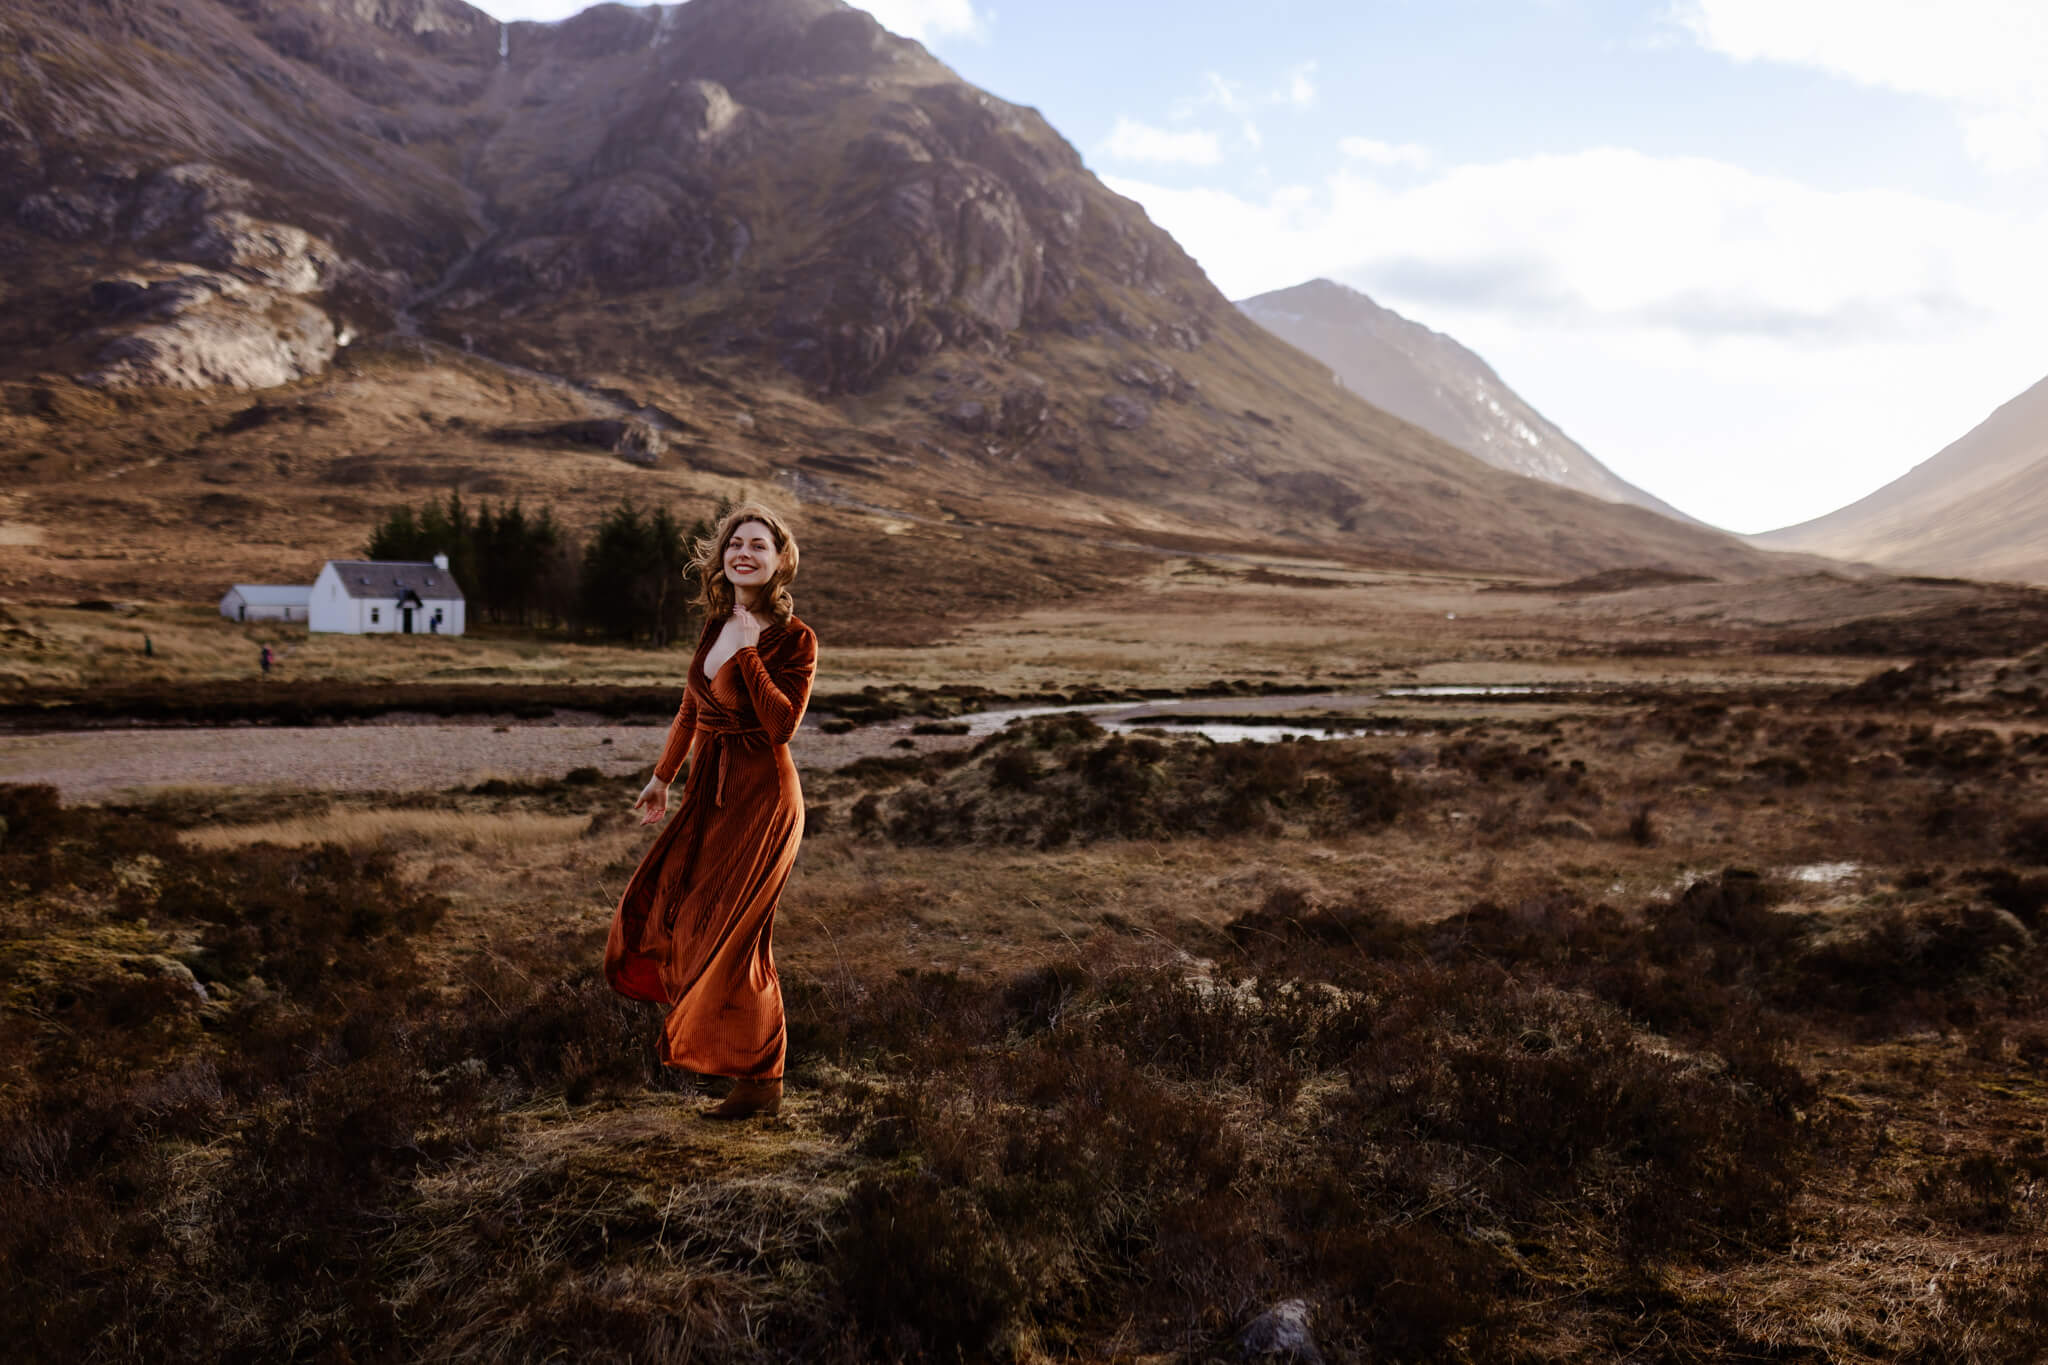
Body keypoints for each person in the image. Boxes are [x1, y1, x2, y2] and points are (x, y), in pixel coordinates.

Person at [603, 504, 816, 1120]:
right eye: (735, 544)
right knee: (680, 912)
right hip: (710, 793)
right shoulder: (718, 621)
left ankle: (762, 1082)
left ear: (780, 562)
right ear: (723, 557)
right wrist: (661, 777)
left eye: (758, 545)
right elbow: (691, 708)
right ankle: (746, 1067)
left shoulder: (794, 638)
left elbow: (782, 726)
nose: (744, 553)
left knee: (740, 936)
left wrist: (749, 654)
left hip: (764, 797)